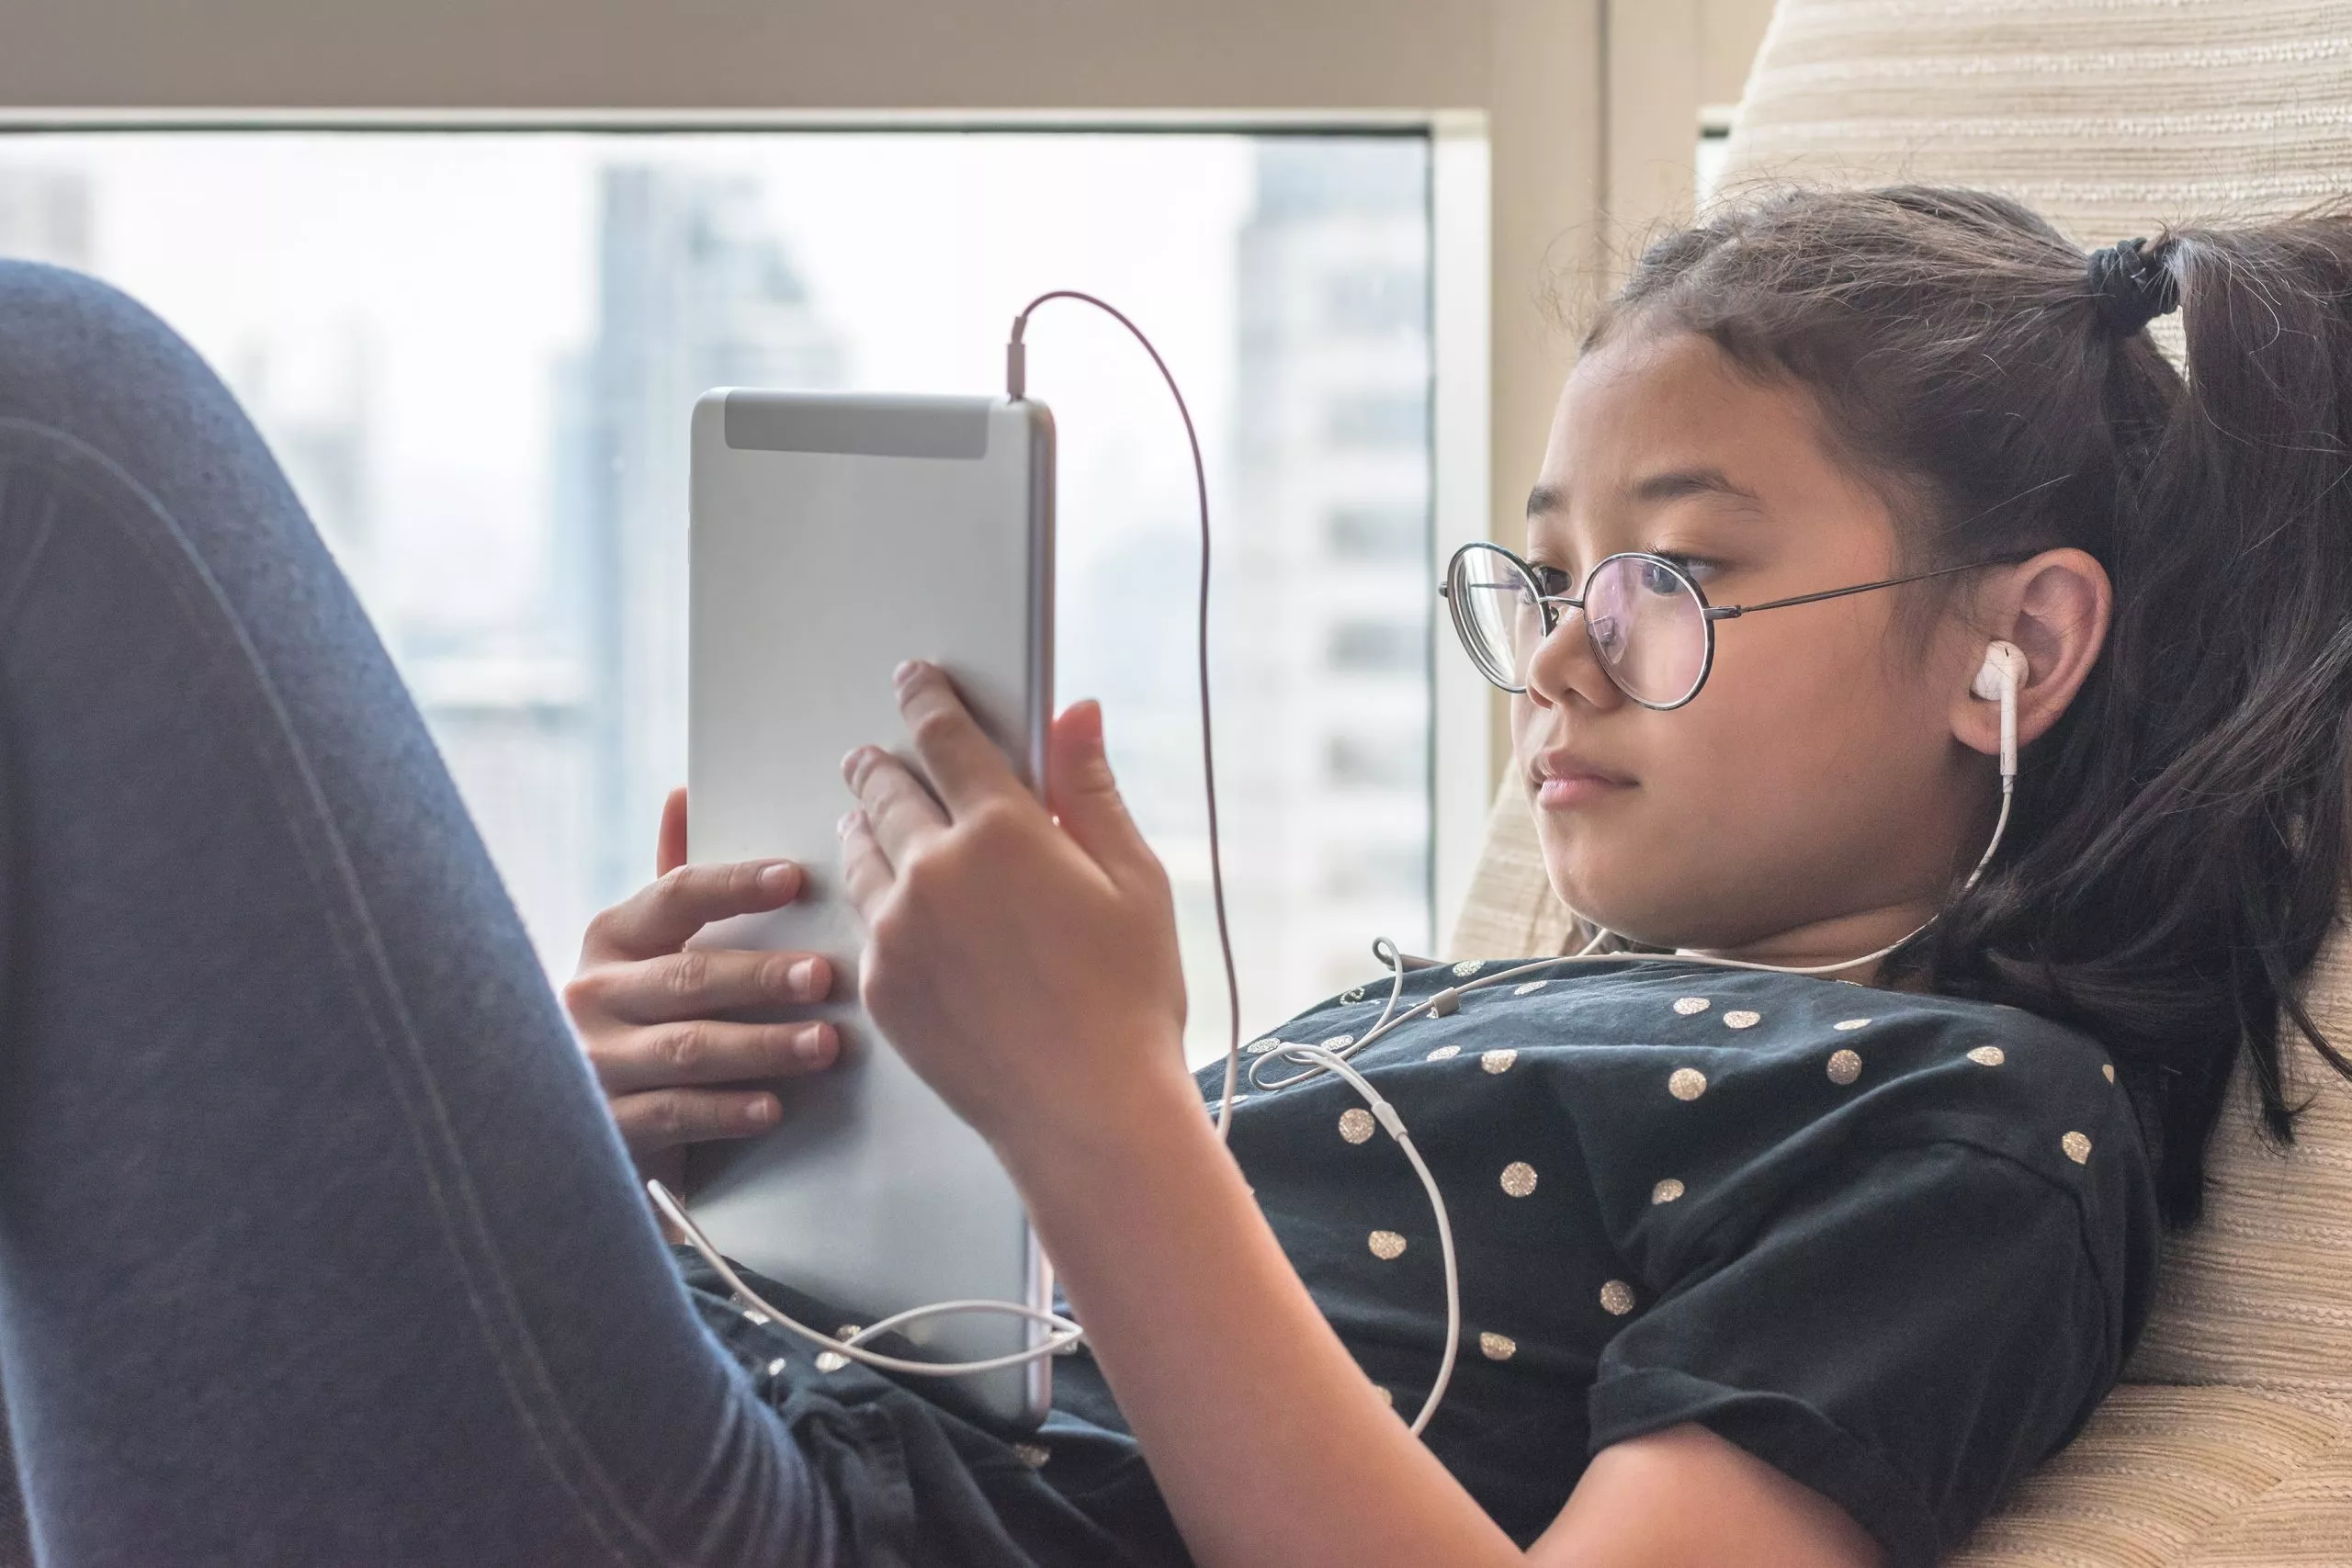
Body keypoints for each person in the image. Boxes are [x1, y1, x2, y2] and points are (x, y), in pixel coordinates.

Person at [2, 182, 2346, 1568]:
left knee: (64, 435)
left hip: (775, 1533)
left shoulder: (1955, 1125)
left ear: (2012, 646)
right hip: (738, 1413)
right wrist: (644, 1158)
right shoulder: (1467, 1004)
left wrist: (1097, 1106)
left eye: (1669, 575)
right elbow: (1031, 1361)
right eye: (1539, 580)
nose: (1557, 664)